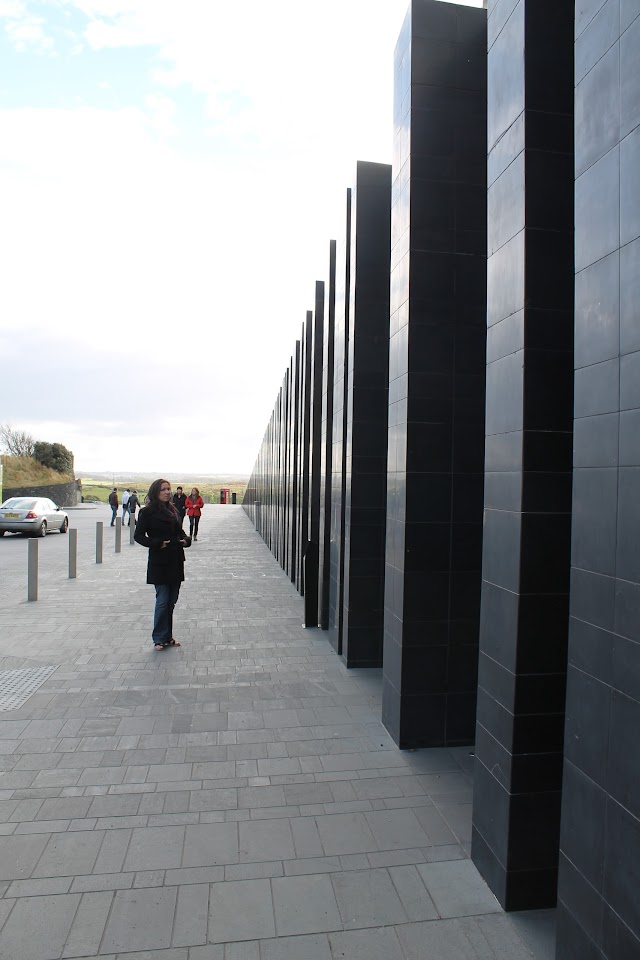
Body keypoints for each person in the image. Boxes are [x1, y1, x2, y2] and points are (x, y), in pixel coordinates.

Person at [134, 478, 191, 650]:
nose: (167, 492)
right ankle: (158, 638)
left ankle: (167, 637)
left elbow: (180, 531)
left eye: (168, 489)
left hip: (175, 559)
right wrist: (158, 543)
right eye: (163, 489)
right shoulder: (147, 512)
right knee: (162, 600)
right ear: (155, 492)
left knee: (171, 600)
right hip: (159, 561)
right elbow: (139, 536)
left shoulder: (173, 511)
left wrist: (186, 540)